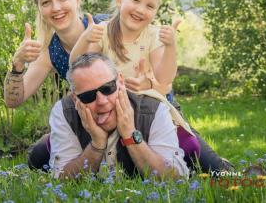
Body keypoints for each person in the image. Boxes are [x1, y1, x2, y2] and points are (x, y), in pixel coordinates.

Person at [70, 0, 231, 172]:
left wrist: (170, 47)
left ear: (155, 11)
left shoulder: (153, 35)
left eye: (150, 6)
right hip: (115, 112)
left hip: (156, 111)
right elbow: (76, 66)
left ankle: (223, 169)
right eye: (135, 0)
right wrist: (86, 38)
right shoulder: (103, 32)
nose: (140, 9)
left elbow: (164, 80)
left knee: (195, 149)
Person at [3, 0, 106, 170]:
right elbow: (13, 101)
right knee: (38, 155)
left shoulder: (104, 26)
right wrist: (17, 64)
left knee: (187, 150)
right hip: (89, 121)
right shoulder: (50, 51)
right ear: (40, 9)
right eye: (46, 2)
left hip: (127, 113)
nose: (56, 7)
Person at [49, 52, 189, 179]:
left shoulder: (154, 109)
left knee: (197, 151)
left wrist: (130, 135)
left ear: (120, 81)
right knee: (37, 156)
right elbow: (61, 180)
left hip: (176, 134)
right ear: (75, 99)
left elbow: (176, 180)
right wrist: (97, 145)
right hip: (58, 142)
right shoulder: (64, 111)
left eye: (107, 88)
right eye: (88, 96)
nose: (102, 101)